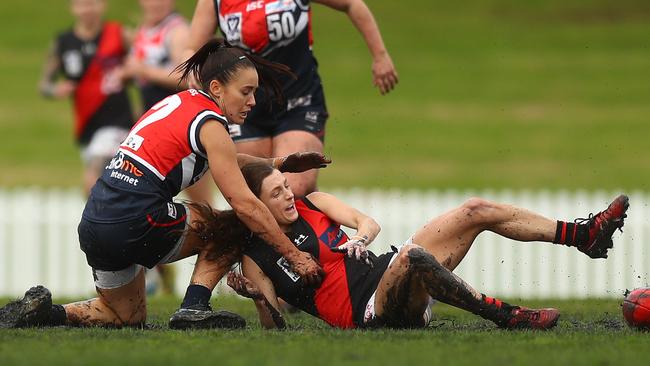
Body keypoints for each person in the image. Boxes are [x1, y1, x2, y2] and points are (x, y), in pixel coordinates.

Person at [0, 40, 328, 329]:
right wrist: (295, 255)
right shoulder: (211, 122)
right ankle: (194, 307)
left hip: (95, 224)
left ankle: (45, 314)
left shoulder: (182, 104)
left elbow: (224, 160)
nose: (253, 101)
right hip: (135, 219)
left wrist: (279, 163)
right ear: (216, 88)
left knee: (123, 315)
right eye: (246, 92)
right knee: (233, 225)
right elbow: (244, 204)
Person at [218, 163, 629, 329]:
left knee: (474, 209)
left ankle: (583, 236)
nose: (289, 195)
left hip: (394, 274)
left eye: (286, 186)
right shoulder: (257, 257)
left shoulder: (312, 203)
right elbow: (275, 330)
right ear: (255, 206)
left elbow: (368, 222)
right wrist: (256, 298)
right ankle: (509, 316)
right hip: (371, 312)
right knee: (414, 258)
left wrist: (360, 238)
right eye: (277, 193)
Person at [183, 0, 399, 198]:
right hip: (246, 108)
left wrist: (380, 55)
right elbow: (191, 48)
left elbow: (351, 4)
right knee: (256, 193)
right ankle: (310, 227)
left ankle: (316, 230)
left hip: (299, 100)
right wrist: (193, 72)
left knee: (293, 189)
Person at [122, 0, 191, 297]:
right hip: (154, 131)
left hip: (179, 129)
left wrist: (143, 70)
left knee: (204, 201)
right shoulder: (143, 30)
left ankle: (221, 273)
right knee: (149, 200)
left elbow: (185, 76)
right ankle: (160, 273)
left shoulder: (176, 30)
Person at [39, 0, 134, 195]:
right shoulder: (64, 42)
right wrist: (55, 89)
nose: (87, 9)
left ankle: (92, 220)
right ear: (73, 7)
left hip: (118, 120)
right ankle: (106, 221)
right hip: (87, 123)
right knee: (110, 185)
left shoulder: (118, 34)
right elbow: (44, 84)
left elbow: (141, 65)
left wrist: (128, 73)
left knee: (94, 174)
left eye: (92, 3)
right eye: (82, 4)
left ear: (103, 5)